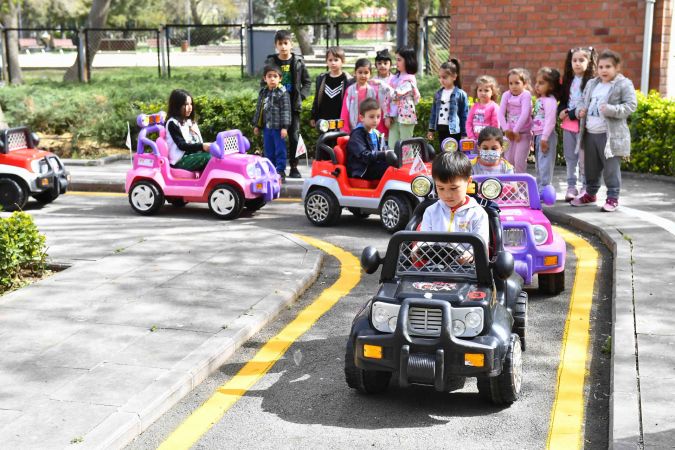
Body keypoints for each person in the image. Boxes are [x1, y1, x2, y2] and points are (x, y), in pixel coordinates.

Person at [571, 49, 637, 212]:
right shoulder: (593, 83)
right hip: (590, 133)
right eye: (601, 67)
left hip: (610, 137)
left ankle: (613, 197)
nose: (604, 70)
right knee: (590, 168)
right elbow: (581, 101)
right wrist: (580, 110)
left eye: (608, 67)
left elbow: (631, 106)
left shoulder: (623, 84)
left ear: (617, 68)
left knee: (610, 169)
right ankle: (590, 194)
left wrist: (611, 109)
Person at [419, 151, 490, 263]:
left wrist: (471, 253)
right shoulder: (431, 211)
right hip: (434, 266)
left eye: (453, 188)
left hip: (468, 268)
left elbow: (482, 243)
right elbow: (425, 241)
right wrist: (418, 248)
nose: (447, 195)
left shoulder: (478, 214)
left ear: (468, 182)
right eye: (441, 188)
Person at [262, 30, 311, 179]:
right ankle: (277, 168)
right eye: (280, 43)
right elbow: (262, 83)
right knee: (276, 139)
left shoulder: (298, 61)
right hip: (276, 108)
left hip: (293, 107)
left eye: (286, 43)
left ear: (291, 44)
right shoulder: (271, 62)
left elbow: (307, 82)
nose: (283, 47)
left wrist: (301, 96)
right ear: (275, 45)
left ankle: (294, 166)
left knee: (294, 137)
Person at [559, 46, 597, 201]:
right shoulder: (568, 81)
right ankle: (571, 187)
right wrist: (560, 111)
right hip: (568, 125)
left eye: (582, 60)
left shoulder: (592, 82)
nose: (577, 63)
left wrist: (572, 113)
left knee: (584, 159)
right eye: (574, 60)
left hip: (584, 127)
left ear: (589, 62)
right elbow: (563, 102)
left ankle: (585, 187)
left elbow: (589, 103)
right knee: (570, 158)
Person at [253, 64, 292, 180]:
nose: (272, 79)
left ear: (280, 78)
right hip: (267, 127)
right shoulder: (263, 92)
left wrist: (285, 127)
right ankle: (270, 169)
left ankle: (280, 170)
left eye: (275, 76)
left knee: (280, 149)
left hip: (278, 128)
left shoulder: (283, 93)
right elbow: (259, 109)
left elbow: (286, 111)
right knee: (268, 149)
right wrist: (257, 125)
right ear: (265, 79)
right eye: (269, 76)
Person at [340, 58, 391, 136]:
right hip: (353, 129)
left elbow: (378, 110)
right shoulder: (350, 90)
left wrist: (379, 130)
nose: (363, 75)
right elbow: (345, 111)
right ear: (355, 73)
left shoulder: (374, 91)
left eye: (366, 72)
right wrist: (345, 129)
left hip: (370, 130)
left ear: (370, 74)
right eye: (360, 72)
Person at [165, 89, 212, 171]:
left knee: (216, 154)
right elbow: (182, 145)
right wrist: (202, 146)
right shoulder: (173, 123)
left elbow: (196, 140)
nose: (190, 107)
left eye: (191, 104)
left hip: (192, 155)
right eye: (186, 104)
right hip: (180, 161)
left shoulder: (189, 121)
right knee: (210, 157)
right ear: (177, 106)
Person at [532, 67, 562, 194]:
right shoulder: (539, 100)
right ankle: (540, 189)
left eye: (541, 83)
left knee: (545, 165)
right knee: (539, 165)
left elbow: (550, 121)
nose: (537, 86)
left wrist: (544, 138)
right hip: (538, 136)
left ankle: (544, 189)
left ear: (551, 86)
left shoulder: (550, 101)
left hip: (546, 137)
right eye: (536, 82)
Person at [427, 59, 468, 148]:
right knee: (444, 151)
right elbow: (433, 113)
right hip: (441, 128)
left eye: (444, 77)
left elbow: (464, 115)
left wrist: (464, 133)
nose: (441, 80)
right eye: (440, 77)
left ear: (454, 77)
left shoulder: (460, 94)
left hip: (454, 130)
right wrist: (431, 130)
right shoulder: (438, 94)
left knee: (454, 152)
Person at [498, 68, 533, 173]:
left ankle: (521, 186)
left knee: (519, 161)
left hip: (523, 134)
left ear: (524, 83)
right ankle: (510, 185)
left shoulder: (526, 95)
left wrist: (516, 130)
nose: (513, 86)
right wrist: (506, 130)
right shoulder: (506, 95)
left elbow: (525, 114)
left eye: (517, 83)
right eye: (511, 83)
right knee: (509, 161)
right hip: (510, 134)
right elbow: (500, 113)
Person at [346, 98, 389, 180]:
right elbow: (364, 156)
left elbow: (383, 149)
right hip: (362, 170)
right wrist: (383, 154)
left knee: (395, 165)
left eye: (378, 117)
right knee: (390, 169)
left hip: (372, 165)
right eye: (371, 117)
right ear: (362, 117)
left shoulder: (376, 133)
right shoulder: (357, 135)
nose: (375, 120)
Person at [310, 46, 351, 131]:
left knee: (339, 143)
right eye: (330, 60)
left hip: (340, 120)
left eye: (336, 60)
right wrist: (313, 116)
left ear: (343, 61)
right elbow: (317, 99)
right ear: (326, 61)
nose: (333, 63)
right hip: (324, 120)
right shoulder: (322, 78)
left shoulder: (347, 80)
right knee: (324, 142)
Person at [386, 46, 420, 147]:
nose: (396, 62)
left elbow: (396, 95)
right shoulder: (394, 78)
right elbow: (387, 98)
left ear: (408, 61)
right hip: (394, 117)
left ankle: (406, 163)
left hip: (406, 117)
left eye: (399, 60)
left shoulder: (410, 79)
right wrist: (387, 115)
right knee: (392, 146)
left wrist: (382, 85)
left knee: (406, 147)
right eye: (396, 59)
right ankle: (392, 163)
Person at [467, 75, 500, 140]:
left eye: (486, 90)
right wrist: (471, 137)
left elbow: (495, 125)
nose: (483, 93)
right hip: (474, 140)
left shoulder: (494, 107)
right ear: (476, 91)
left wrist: (490, 139)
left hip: (488, 142)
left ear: (492, 92)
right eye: (480, 90)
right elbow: (469, 123)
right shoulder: (474, 106)